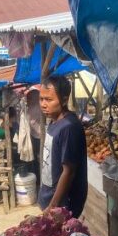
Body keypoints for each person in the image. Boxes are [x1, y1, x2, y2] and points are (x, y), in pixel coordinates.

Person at [38, 76, 88, 217]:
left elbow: (69, 172)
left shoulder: (69, 127)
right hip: (49, 199)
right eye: (41, 99)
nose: (43, 104)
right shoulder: (54, 122)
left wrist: (53, 207)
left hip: (62, 206)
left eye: (49, 100)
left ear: (65, 100)